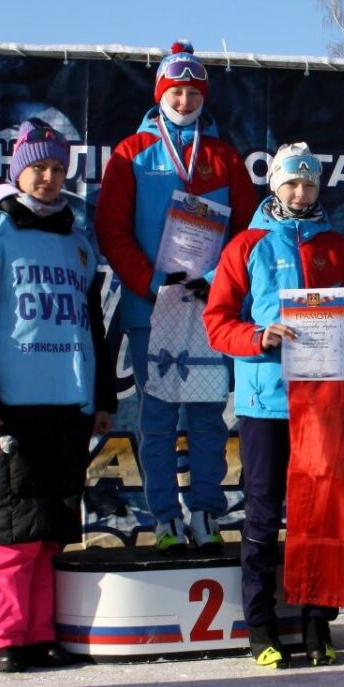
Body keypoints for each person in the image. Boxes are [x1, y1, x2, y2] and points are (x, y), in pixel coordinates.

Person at [0, 120, 116, 672]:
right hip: (7, 404)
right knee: (11, 531)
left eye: (57, 169)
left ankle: (40, 634)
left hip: (66, 403)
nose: (48, 178)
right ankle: (0, 639)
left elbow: (93, 321)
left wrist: (102, 397)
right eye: (38, 168)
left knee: (49, 532)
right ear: (18, 171)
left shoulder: (77, 240)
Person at [203, 142, 344, 668]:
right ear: (274, 185)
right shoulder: (247, 245)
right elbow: (216, 322)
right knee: (261, 517)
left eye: (309, 184)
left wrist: (342, 337)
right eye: (291, 183)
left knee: (318, 518)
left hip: (322, 402)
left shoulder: (336, 247)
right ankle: (261, 627)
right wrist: (258, 337)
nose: (300, 193)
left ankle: (317, 624)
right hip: (266, 403)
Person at [95, 41, 258, 554]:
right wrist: (150, 282)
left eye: (192, 92)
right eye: (176, 91)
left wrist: (221, 279)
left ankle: (206, 511)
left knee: (209, 415)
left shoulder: (224, 156)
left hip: (210, 309)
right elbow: (111, 228)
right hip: (152, 308)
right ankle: (165, 517)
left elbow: (248, 230)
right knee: (159, 418)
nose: (184, 101)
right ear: (161, 93)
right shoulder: (131, 152)